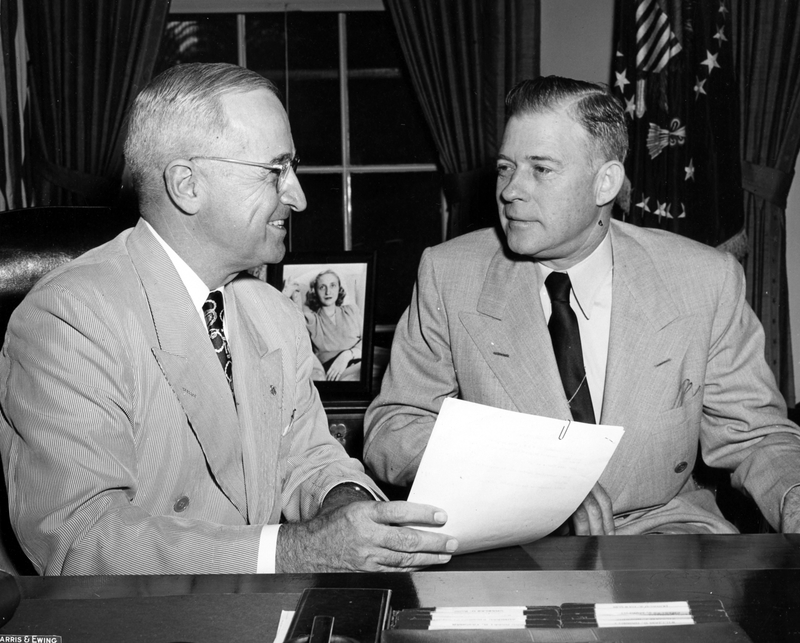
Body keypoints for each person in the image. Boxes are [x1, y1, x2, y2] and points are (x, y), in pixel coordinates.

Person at [0, 62, 457, 575]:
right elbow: (80, 537)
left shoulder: (273, 312)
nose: (298, 196)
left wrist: (345, 503)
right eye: (274, 171)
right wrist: (292, 552)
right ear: (187, 185)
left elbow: (307, 457)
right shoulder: (71, 318)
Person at [363, 75, 800, 536]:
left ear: (605, 183)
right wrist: (534, 479)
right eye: (505, 168)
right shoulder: (449, 275)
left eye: (541, 169)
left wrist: (794, 498)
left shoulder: (703, 280)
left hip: (664, 530)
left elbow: (756, 435)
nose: (511, 191)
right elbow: (393, 427)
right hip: (505, 534)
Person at [284, 269, 363, 381]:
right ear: (315, 292)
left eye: (332, 285)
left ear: (339, 289)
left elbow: (367, 341)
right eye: (322, 287)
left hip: (359, 362)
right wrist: (287, 292)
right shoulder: (311, 320)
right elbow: (286, 320)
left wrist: (347, 355)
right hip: (334, 375)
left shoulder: (352, 311)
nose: (328, 292)